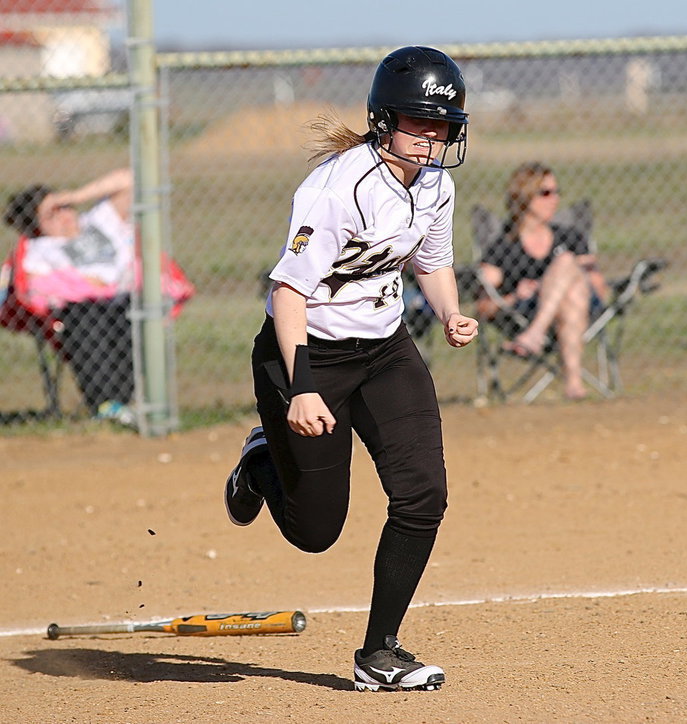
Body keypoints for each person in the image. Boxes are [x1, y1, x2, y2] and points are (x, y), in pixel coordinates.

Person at [223, 46, 478, 692]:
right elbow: (288, 293)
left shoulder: (436, 186)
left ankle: (379, 655)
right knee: (316, 531)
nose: (433, 139)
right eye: (420, 124)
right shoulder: (337, 189)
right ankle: (261, 461)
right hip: (307, 354)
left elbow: (433, 261)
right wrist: (302, 388)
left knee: (423, 495)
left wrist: (449, 313)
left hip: (385, 351)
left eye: (443, 127)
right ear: (384, 120)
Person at [3, 168, 136, 423]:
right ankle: (107, 405)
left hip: (124, 300)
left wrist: (74, 196)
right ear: (38, 227)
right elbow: (37, 287)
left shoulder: (99, 221)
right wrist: (92, 286)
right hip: (80, 312)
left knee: (129, 310)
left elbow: (130, 179)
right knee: (85, 314)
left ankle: (125, 403)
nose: (64, 216)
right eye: (51, 215)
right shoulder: (40, 249)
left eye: (63, 207)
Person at [476, 161, 608, 400]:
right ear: (524, 197)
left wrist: (558, 283)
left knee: (568, 266)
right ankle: (574, 384)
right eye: (545, 193)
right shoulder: (504, 247)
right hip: (524, 312)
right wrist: (516, 295)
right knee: (571, 284)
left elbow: (599, 289)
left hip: (583, 308)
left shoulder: (570, 237)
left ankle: (535, 335)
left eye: (557, 192)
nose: (554, 199)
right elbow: (483, 307)